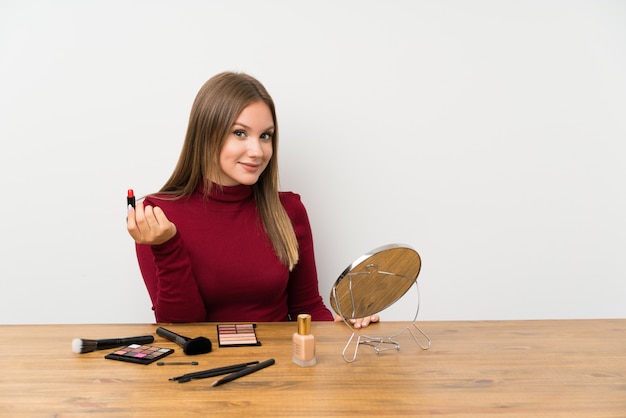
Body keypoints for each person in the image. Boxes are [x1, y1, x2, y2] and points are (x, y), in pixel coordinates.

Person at [127, 71, 378, 328]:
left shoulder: (289, 211)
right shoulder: (156, 217)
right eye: (240, 133)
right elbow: (181, 328)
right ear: (206, 134)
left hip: (281, 365)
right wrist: (166, 246)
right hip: (203, 366)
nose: (258, 151)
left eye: (265, 136)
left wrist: (344, 327)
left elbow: (308, 307)